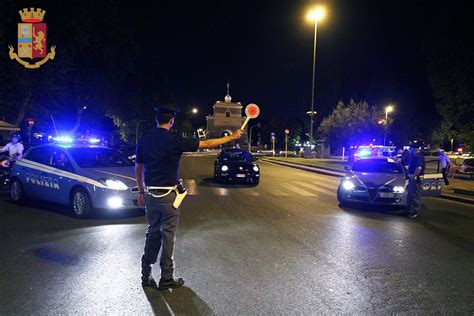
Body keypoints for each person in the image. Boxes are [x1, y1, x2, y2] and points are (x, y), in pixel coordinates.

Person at [135, 103, 243, 290]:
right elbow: (207, 144)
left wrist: (141, 192)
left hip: (151, 195)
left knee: (152, 232)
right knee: (168, 236)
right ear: (172, 121)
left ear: (156, 120)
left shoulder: (144, 140)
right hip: (169, 197)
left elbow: (138, 168)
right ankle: (166, 278)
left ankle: (146, 274)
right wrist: (232, 137)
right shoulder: (174, 140)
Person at [405, 146, 425, 219]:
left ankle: (415, 212)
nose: (410, 151)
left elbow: (419, 168)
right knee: (411, 194)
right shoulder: (414, 157)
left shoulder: (418, 157)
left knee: (415, 196)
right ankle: (409, 211)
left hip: (416, 178)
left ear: (414, 150)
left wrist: (413, 176)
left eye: (411, 150)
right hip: (414, 177)